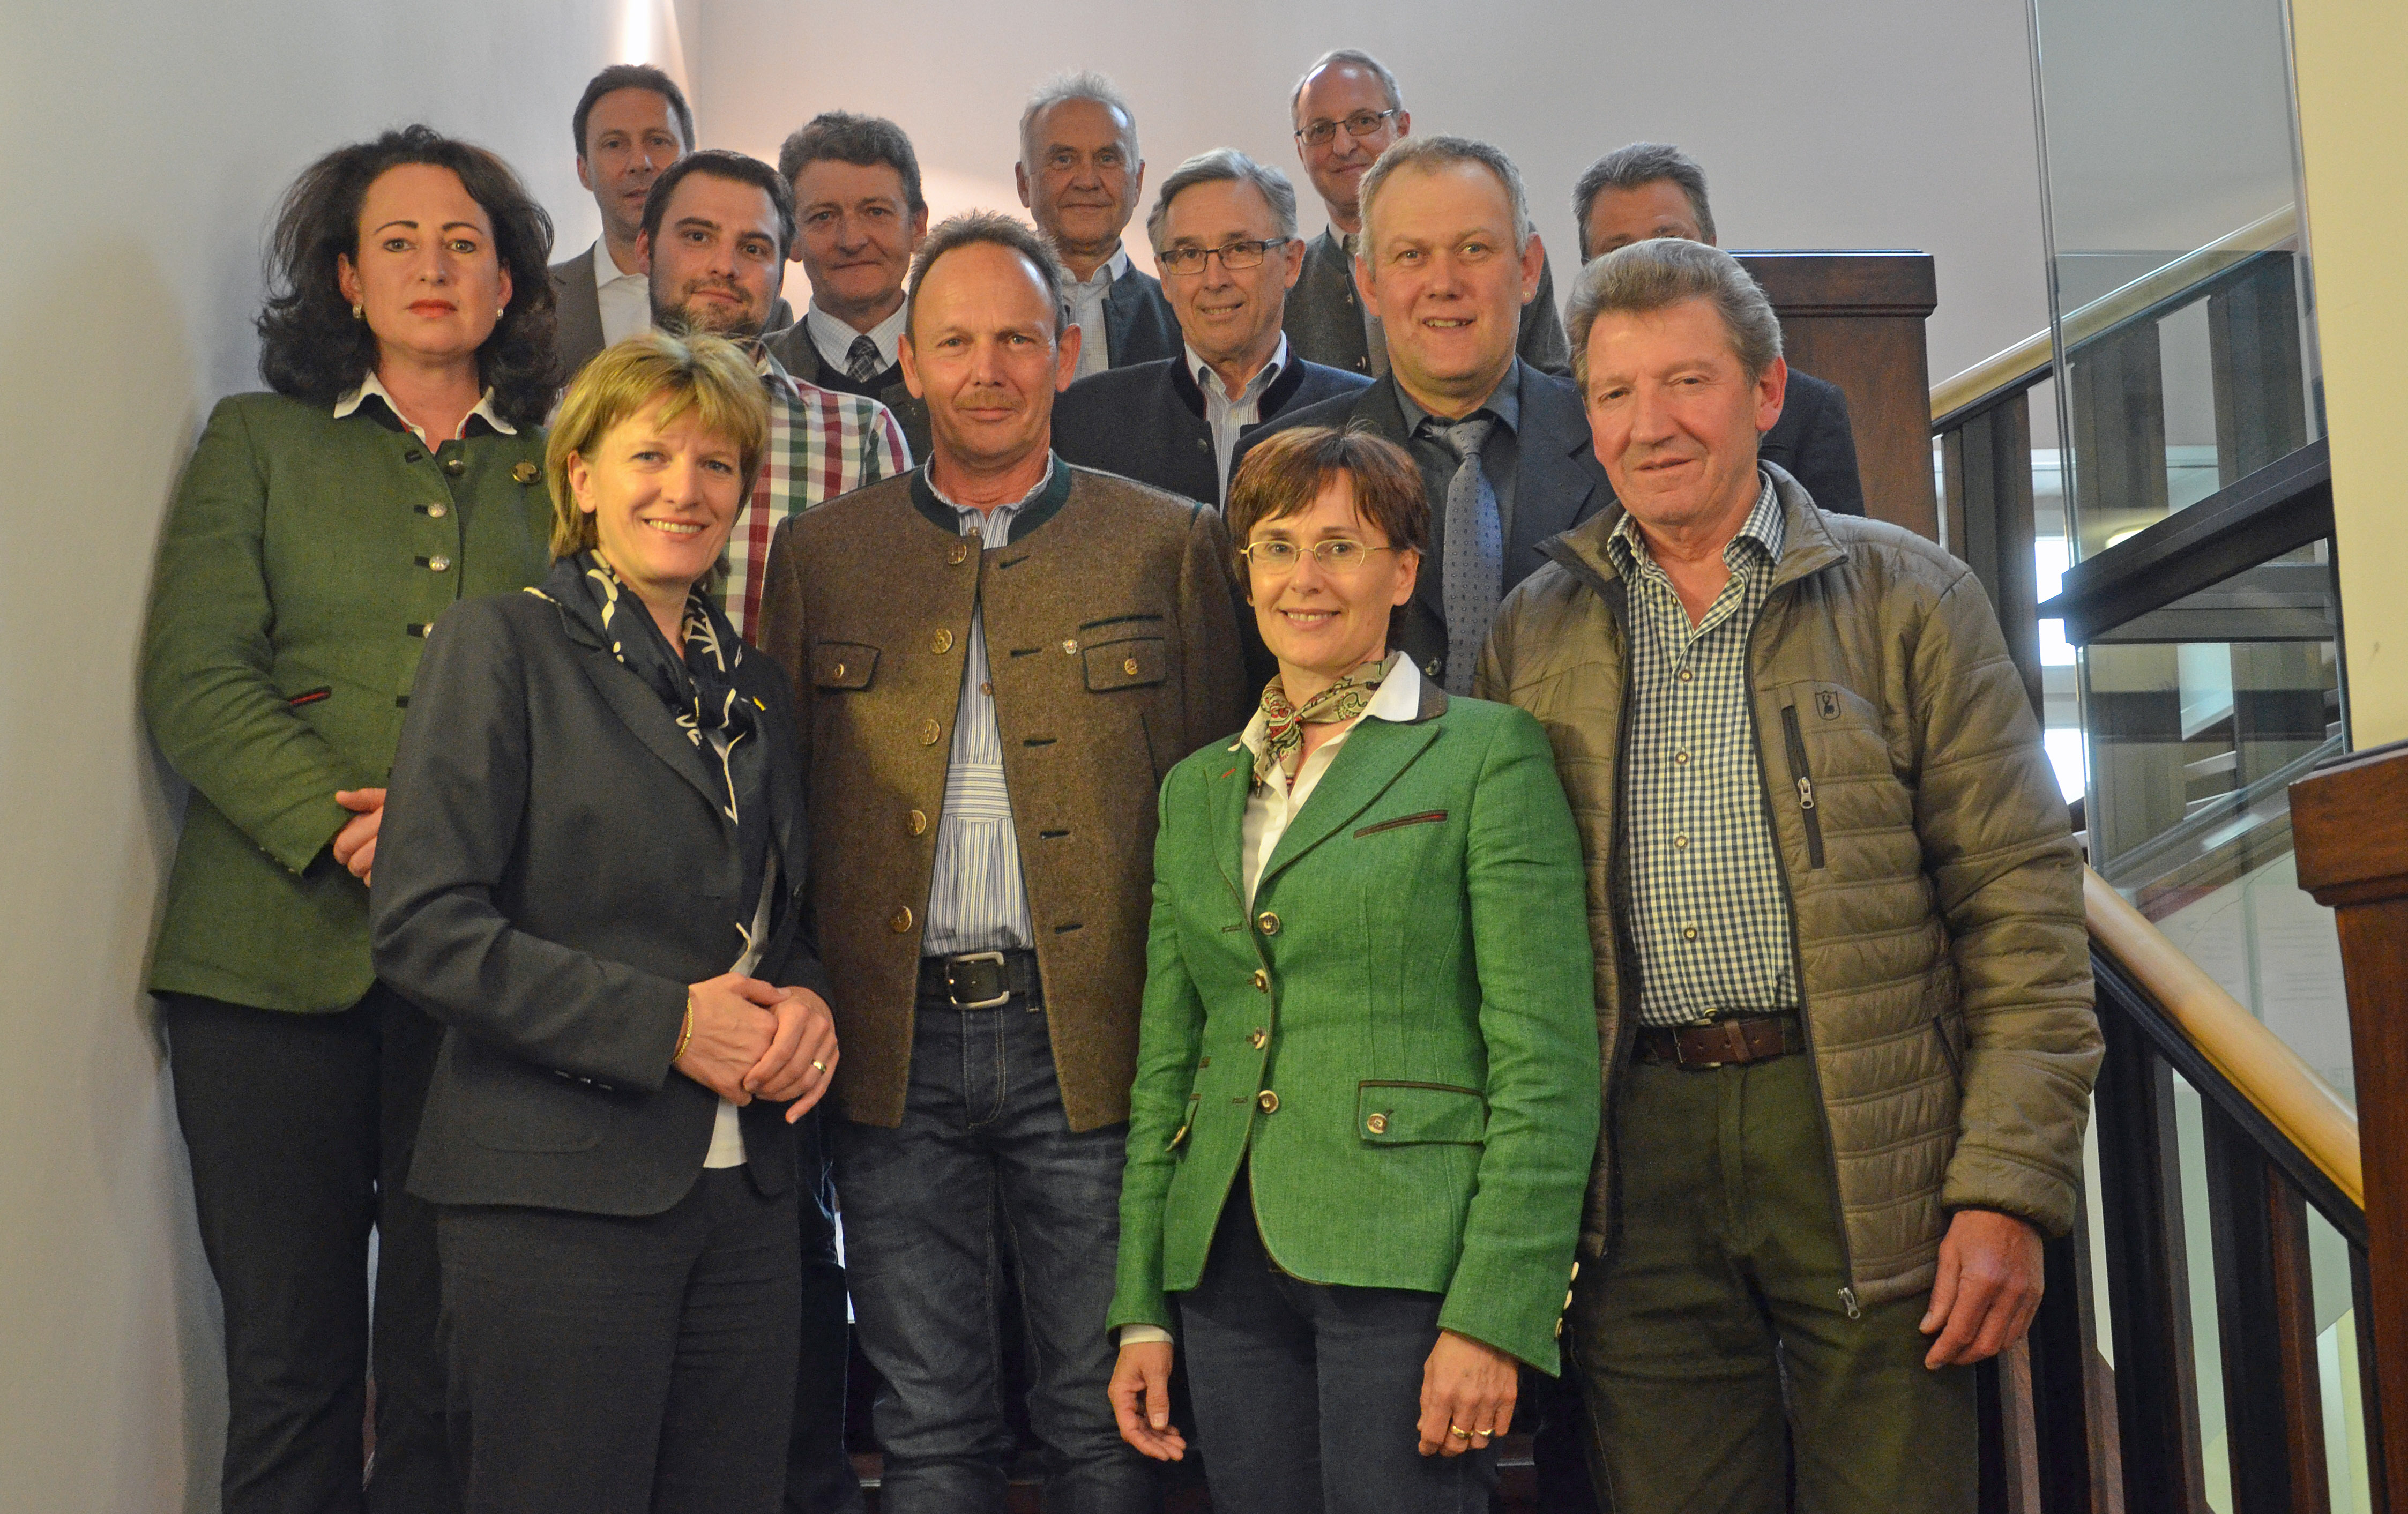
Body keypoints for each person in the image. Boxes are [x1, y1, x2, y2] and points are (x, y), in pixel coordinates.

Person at [1480, 237, 2099, 1512]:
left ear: (1764, 395)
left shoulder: (1908, 599)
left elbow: (2021, 910)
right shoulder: (1528, 633)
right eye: (1611, 392)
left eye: (1685, 382)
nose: (1648, 424)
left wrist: (2005, 1186)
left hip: (1866, 1134)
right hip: (1631, 1149)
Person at [756, 211, 1248, 1514]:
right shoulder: (821, 554)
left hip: (1091, 1039)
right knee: (927, 1425)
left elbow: (1216, 803)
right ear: (906, 362)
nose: (988, 367)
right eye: (955, 340)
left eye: (1016, 339)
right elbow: (785, 815)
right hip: (889, 1043)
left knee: (1104, 1417)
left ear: (1063, 351)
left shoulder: (1169, 540)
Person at [141, 124, 559, 1514]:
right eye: (400, 242)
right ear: (345, 276)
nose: (433, 267)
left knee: (453, 1366)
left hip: (488, 981)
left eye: (464, 243)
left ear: (507, 284)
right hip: (261, 972)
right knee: (288, 1368)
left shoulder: (564, 471)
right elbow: (197, 678)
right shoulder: (253, 443)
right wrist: (343, 826)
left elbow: (595, 702)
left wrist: (453, 846)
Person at [371, 331, 840, 1514]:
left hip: (745, 1200)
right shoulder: (502, 644)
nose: (684, 489)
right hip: (553, 1199)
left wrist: (811, 1001)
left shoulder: (755, 683)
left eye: (715, 463)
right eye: (650, 455)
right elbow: (425, 925)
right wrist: (668, 1026)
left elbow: (781, 923)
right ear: (579, 476)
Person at [1105, 424, 1599, 1514]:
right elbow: (1166, 1068)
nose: (1303, 577)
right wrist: (1141, 1299)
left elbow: (1546, 1061)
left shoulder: (1483, 752)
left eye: (1339, 545)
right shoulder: (1196, 786)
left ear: (1403, 571)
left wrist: (1494, 1309)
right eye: (1276, 546)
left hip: (1407, 1259)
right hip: (1225, 1257)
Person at [1241, 136, 1611, 696]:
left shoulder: (1618, 443)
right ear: (1369, 281)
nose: (1443, 284)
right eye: (1411, 255)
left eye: (1473, 250)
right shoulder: (1281, 463)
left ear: (1528, 267)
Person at [637, 148, 909, 639]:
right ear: (645, 249)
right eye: (698, 237)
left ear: (782, 273)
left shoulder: (858, 435)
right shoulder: (576, 414)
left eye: (754, 249)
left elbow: (895, 632)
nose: (724, 266)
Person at [1053, 148, 1370, 507]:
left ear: (1292, 263)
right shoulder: (1086, 418)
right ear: (1166, 277)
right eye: (1188, 255)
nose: (1214, 279)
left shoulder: (1365, 414)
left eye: (1239, 249)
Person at [1573, 140, 1866, 516]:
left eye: (1669, 242)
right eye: (1618, 251)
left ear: (1713, 247)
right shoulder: (1552, 420)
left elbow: (1834, 553)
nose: (1649, 266)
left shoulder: (1806, 406)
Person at [1282, 49, 1569, 379]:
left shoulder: (1502, 242)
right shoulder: (1287, 281)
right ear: (1300, 151)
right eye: (1320, 130)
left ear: (1402, 128)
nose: (1344, 145)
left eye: (1363, 121)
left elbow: (1551, 383)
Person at [763, 110, 933, 459]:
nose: (852, 240)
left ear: (917, 227)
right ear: (791, 238)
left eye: (875, 212)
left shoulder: (966, 369)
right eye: (824, 216)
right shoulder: (753, 376)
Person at [1016, 71, 1180, 376]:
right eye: (1064, 160)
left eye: (1107, 158)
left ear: (1138, 182)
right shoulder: (987, 309)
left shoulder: (1182, 316)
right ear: (1023, 183)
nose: (1088, 181)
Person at [551, 65, 692, 376]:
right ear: (584, 170)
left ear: (691, 161)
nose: (639, 164)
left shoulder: (750, 303)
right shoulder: (535, 300)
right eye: (614, 144)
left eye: (657, 141)